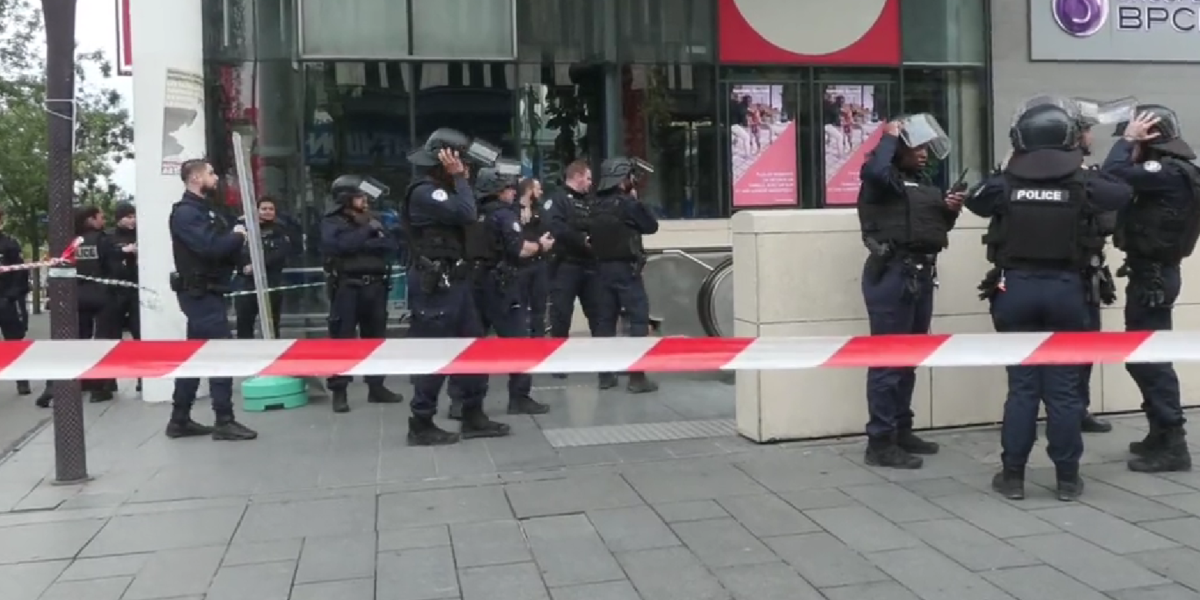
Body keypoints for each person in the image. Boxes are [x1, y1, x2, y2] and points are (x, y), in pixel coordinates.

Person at [969, 96, 1133, 500]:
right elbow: (1122, 193)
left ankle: (1012, 477)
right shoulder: (1085, 182)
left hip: (1017, 291)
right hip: (1069, 293)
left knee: (1023, 388)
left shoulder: (1006, 184)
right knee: (1063, 390)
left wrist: (1011, 162)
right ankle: (1066, 478)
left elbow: (975, 199)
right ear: (1068, 140)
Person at [856, 114, 961, 470]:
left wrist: (948, 211)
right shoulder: (879, 179)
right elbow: (874, 173)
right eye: (916, 146)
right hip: (892, 275)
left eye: (927, 147)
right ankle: (880, 441)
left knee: (910, 358)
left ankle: (902, 430)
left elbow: (927, 228)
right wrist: (889, 136)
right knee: (888, 360)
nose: (924, 154)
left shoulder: (919, 183)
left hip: (919, 274)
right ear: (898, 147)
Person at [1102, 105, 1200, 473]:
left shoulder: (1168, 172)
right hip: (1153, 275)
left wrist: (1128, 139)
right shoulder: (1171, 172)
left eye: (1137, 143)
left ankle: (1173, 442)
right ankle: (1160, 432)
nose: (1131, 150)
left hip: (1155, 278)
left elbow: (1113, 175)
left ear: (1151, 141)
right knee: (1144, 356)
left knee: (1152, 360)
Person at [404, 128, 511, 445]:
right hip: (435, 284)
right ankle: (421, 422)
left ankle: (472, 413)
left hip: (457, 281)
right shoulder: (426, 191)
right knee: (435, 352)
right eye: (460, 160)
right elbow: (466, 212)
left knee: (473, 347)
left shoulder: (446, 189)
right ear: (445, 159)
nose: (466, 168)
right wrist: (460, 177)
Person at [450, 161, 552, 419]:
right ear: (497, 190)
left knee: (471, 345)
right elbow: (519, 249)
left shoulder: (471, 214)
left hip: (474, 283)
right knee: (518, 341)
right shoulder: (504, 215)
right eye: (508, 187)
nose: (513, 192)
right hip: (501, 285)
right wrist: (540, 246)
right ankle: (519, 397)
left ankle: (459, 401)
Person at [166, 158, 258, 441]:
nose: (216, 177)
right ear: (195, 178)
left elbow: (222, 243)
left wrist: (239, 249)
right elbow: (210, 247)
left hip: (209, 291)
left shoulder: (207, 211)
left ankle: (179, 419)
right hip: (199, 293)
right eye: (211, 172)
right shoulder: (185, 214)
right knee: (220, 353)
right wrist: (237, 236)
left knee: (195, 357)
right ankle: (224, 419)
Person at [319, 175, 403, 414]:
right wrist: (367, 234)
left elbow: (390, 246)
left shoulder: (373, 219)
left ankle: (376, 387)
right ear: (346, 198)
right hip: (348, 287)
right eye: (359, 196)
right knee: (341, 339)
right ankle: (340, 391)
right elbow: (338, 246)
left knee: (375, 339)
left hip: (375, 286)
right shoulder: (332, 221)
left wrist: (363, 240)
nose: (365, 200)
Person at [588, 157, 660, 393]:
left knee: (604, 323)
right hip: (626, 271)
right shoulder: (627, 204)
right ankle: (637, 378)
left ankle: (604, 376)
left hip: (601, 270)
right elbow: (651, 226)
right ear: (622, 181)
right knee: (638, 320)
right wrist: (637, 202)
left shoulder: (594, 204)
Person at [544, 160, 600, 377]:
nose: (590, 182)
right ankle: (559, 363)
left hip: (590, 264)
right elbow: (555, 227)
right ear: (577, 176)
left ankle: (605, 362)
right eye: (587, 178)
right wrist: (581, 239)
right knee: (560, 314)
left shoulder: (590, 201)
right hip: (565, 265)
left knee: (598, 313)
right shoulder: (557, 199)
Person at [72, 206, 118, 402]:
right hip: (102, 294)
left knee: (81, 339)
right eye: (101, 217)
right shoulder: (103, 240)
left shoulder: (72, 242)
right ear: (90, 220)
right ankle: (99, 387)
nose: (104, 221)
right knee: (103, 341)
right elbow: (112, 268)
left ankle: (82, 381)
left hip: (78, 294)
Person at [235, 196, 291, 340]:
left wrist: (257, 266)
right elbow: (236, 250)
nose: (267, 212)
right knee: (244, 325)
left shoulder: (280, 230)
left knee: (272, 326)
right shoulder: (245, 228)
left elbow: (280, 253)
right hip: (247, 284)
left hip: (271, 283)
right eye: (264, 209)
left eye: (271, 209)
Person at [0, 209, 31, 398]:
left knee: (14, 342)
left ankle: (22, 381)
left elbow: (20, 273)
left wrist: (10, 297)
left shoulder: (9, 245)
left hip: (5, 301)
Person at [517, 178, 549, 337]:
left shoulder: (541, 211)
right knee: (520, 308)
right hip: (520, 266)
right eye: (538, 189)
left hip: (539, 264)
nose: (541, 192)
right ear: (529, 190)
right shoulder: (514, 211)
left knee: (539, 309)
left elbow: (548, 236)